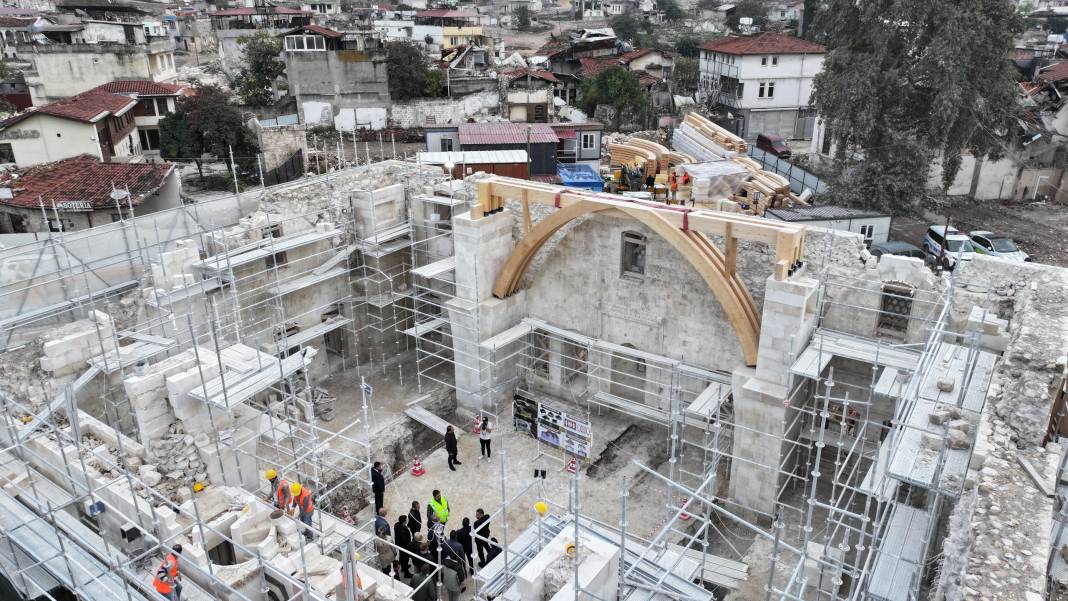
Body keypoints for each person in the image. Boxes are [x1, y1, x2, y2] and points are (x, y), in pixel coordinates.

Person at [394, 514, 413, 578]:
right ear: (404, 521)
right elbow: (406, 541)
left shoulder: (396, 525)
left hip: (400, 545)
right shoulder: (403, 532)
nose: (407, 520)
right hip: (404, 547)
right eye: (406, 520)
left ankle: (403, 567)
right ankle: (406, 573)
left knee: (401, 557)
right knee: (405, 558)